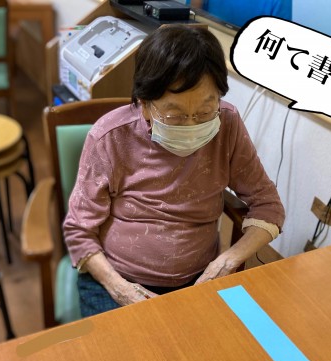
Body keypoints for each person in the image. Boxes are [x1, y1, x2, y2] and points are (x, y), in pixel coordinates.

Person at [63, 25, 285, 317]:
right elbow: (79, 229)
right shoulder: (111, 137)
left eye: (204, 112)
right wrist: (119, 288)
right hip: (117, 279)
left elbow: (268, 206)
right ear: (144, 104)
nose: (192, 125)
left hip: (199, 278)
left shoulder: (227, 124)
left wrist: (228, 260)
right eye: (175, 115)